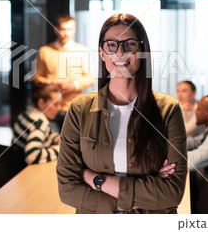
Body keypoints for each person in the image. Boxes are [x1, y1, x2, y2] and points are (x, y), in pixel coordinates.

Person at [56, 13, 187, 214]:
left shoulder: (168, 109)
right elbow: (67, 190)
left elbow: (172, 192)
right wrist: (140, 196)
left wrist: (95, 179)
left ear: (142, 51)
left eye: (130, 45)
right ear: (102, 53)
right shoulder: (79, 109)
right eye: (111, 45)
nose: (120, 53)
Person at [33, 15, 95, 128]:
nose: (66, 33)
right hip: (50, 107)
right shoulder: (45, 51)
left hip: (74, 107)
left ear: (75, 30)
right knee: (53, 142)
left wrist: (74, 85)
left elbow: (90, 78)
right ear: (56, 29)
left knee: (73, 143)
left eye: (70, 29)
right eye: (63, 29)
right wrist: (51, 83)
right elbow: (37, 78)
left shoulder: (83, 51)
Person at [12, 83, 62, 164]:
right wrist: (60, 150)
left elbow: (48, 133)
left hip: (14, 161)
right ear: (41, 103)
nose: (59, 108)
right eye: (56, 104)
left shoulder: (28, 112)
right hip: (24, 169)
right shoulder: (39, 123)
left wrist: (61, 141)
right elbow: (32, 156)